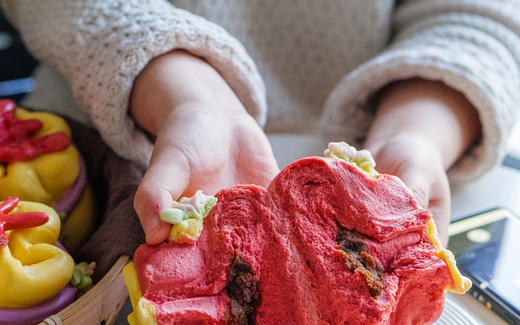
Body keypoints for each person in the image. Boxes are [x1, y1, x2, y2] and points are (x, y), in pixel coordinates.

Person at [1, 1, 516, 247]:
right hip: (107, 175)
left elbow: (477, 19)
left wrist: (417, 136)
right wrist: (189, 98)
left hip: (377, 165)